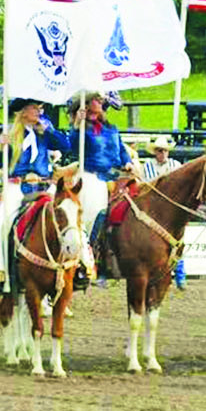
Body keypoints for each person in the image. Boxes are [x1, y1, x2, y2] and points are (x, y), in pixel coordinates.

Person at [0, 97, 72, 292]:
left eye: (40, 108)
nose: (39, 112)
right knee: (3, 222)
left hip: (43, 184)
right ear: (23, 111)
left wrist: (49, 130)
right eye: (35, 108)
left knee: (70, 214)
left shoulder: (44, 131)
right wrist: (1, 147)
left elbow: (66, 146)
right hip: (19, 184)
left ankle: (79, 264)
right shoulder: (11, 132)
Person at [67, 90, 136, 290]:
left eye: (100, 100)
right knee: (91, 219)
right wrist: (76, 125)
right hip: (91, 176)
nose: (100, 103)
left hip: (115, 176)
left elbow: (121, 149)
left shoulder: (111, 129)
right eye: (96, 100)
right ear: (88, 105)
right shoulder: (82, 129)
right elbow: (71, 147)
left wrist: (128, 162)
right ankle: (85, 260)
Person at [139, 135, 185, 290]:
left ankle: (180, 275)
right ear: (155, 152)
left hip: (170, 211)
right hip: (154, 211)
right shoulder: (146, 167)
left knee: (177, 242)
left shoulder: (176, 165)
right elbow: (143, 188)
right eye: (160, 151)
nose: (163, 153)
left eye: (165, 150)